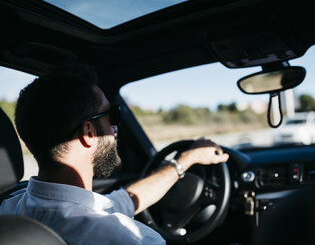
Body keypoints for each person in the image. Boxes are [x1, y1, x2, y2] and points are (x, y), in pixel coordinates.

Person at [0, 64, 229, 244]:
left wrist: (185, 160)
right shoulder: (127, 237)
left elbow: (124, 201)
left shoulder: (8, 212)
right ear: (89, 133)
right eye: (113, 116)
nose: (116, 128)